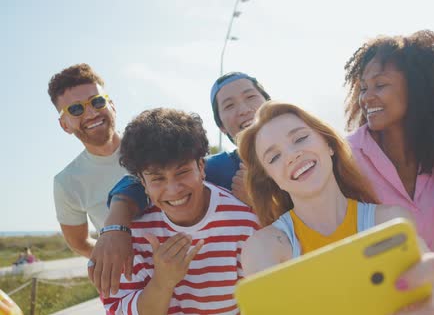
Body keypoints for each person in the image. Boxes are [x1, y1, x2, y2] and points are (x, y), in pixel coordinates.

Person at [237, 101, 434, 313]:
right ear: (273, 180)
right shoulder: (263, 248)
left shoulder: (390, 223)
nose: (292, 155)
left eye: (300, 138)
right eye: (274, 157)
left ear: (329, 144)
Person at [89, 72, 270, 296]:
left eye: (251, 96)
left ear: (269, 102)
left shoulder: (306, 156)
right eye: (229, 105)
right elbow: (139, 180)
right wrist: (115, 227)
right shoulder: (217, 168)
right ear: (221, 126)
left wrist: (261, 205)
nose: (243, 109)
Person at [343, 31, 434, 314]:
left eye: (380, 85)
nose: (367, 98)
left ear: (416, 88)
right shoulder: (346, 158)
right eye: (362, 88)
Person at [102, 108, 259, 314]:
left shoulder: (245, 222)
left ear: (201, 167)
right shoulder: (128, 237)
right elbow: (119, 310)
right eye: (158, 178)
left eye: (183, 172)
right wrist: (163, 282)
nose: (174, 189)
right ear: (143, 182)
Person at [49, 63, 125, 258]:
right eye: (75, 109)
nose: (91, 113)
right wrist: (121, 263)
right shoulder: (67, 182)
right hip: (135, 286)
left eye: (97, 101)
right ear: (64, 124)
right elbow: (80, 243)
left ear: (112, 106)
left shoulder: (155, 146)